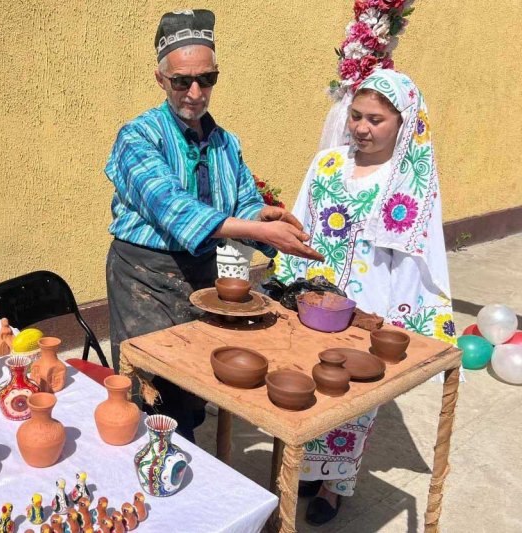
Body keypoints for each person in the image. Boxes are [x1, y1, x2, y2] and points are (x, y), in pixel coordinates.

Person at [105, 9, 323, 442]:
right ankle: (158, 465)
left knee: (196, 382)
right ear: (160, 79)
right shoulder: (138, 137)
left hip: (202, 276)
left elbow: (243, 200)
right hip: (144, 277)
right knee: (155, 389)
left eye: (206, 79)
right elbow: (172, 208)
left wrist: (262, 215)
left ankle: (188, 460)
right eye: (181, 81)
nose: (195, 92)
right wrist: (257, 231)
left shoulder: (225, 142)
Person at [272, 68, 456, 525]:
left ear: (403, 123)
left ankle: (334, 485)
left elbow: (416, 256)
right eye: (356, 115)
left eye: (376, 119)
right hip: (314, 302)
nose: (361, 128)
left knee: (353, 401)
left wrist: (399, 321)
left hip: (368, 311)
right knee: (308, 386)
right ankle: (308, 471)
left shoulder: (408, 181)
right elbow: (301, 224)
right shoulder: (327, 164)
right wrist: (288, 283)